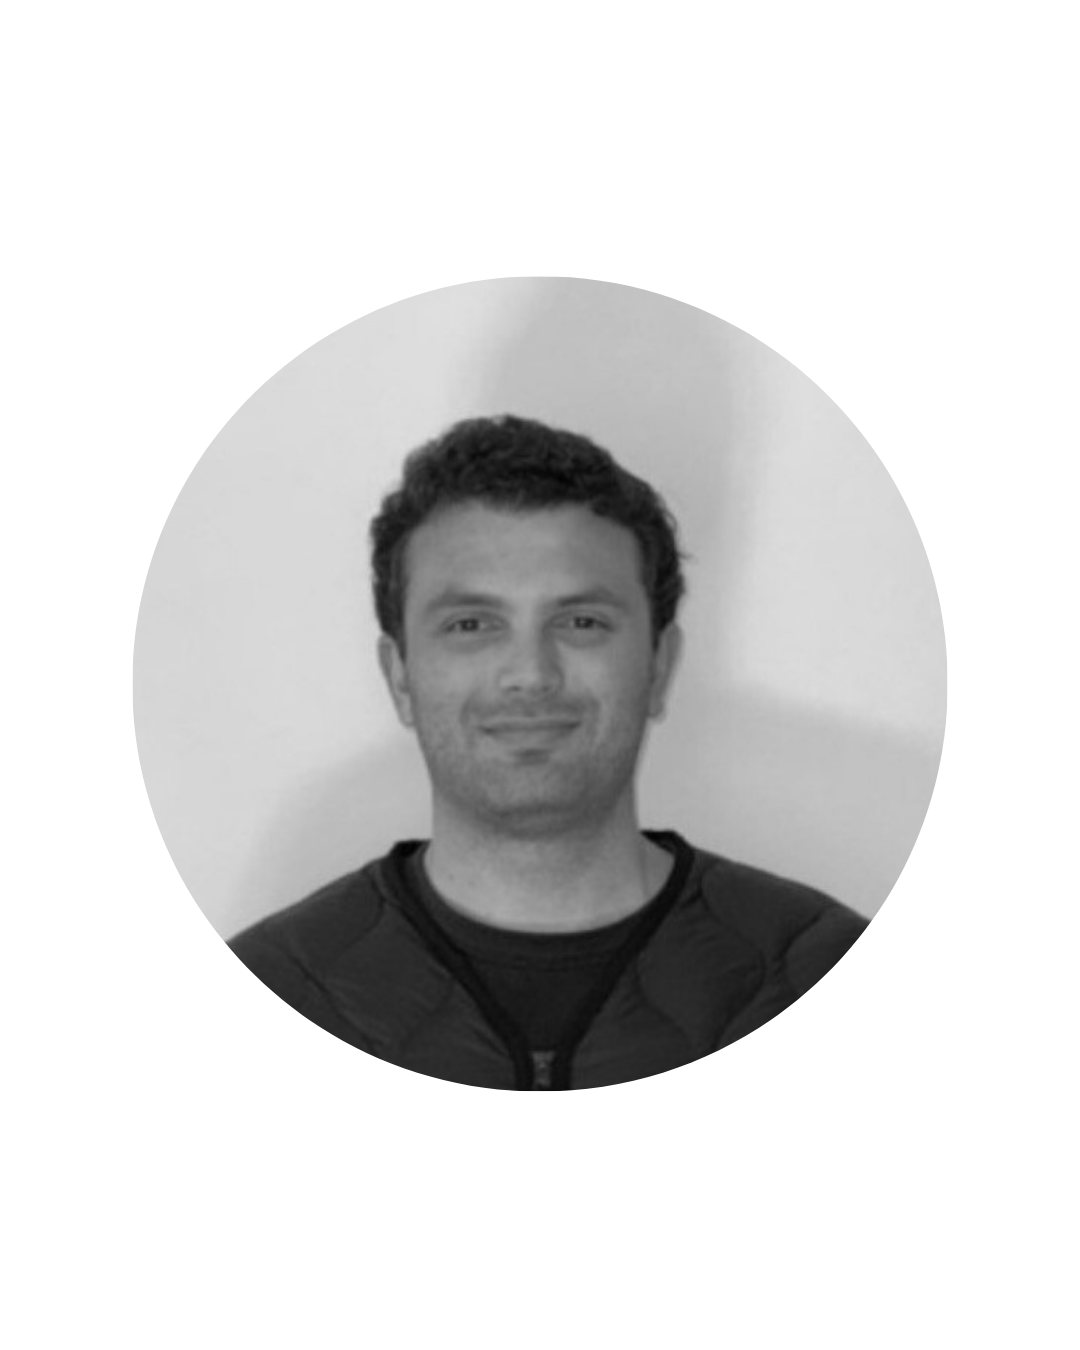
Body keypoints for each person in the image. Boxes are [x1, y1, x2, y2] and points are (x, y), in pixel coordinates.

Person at [227, 415, 870, 1091]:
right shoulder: (277, 979)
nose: (530, 674)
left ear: (658, 666)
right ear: (400, 678)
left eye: (581, 622)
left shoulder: (833, 975)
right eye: (471, 624)